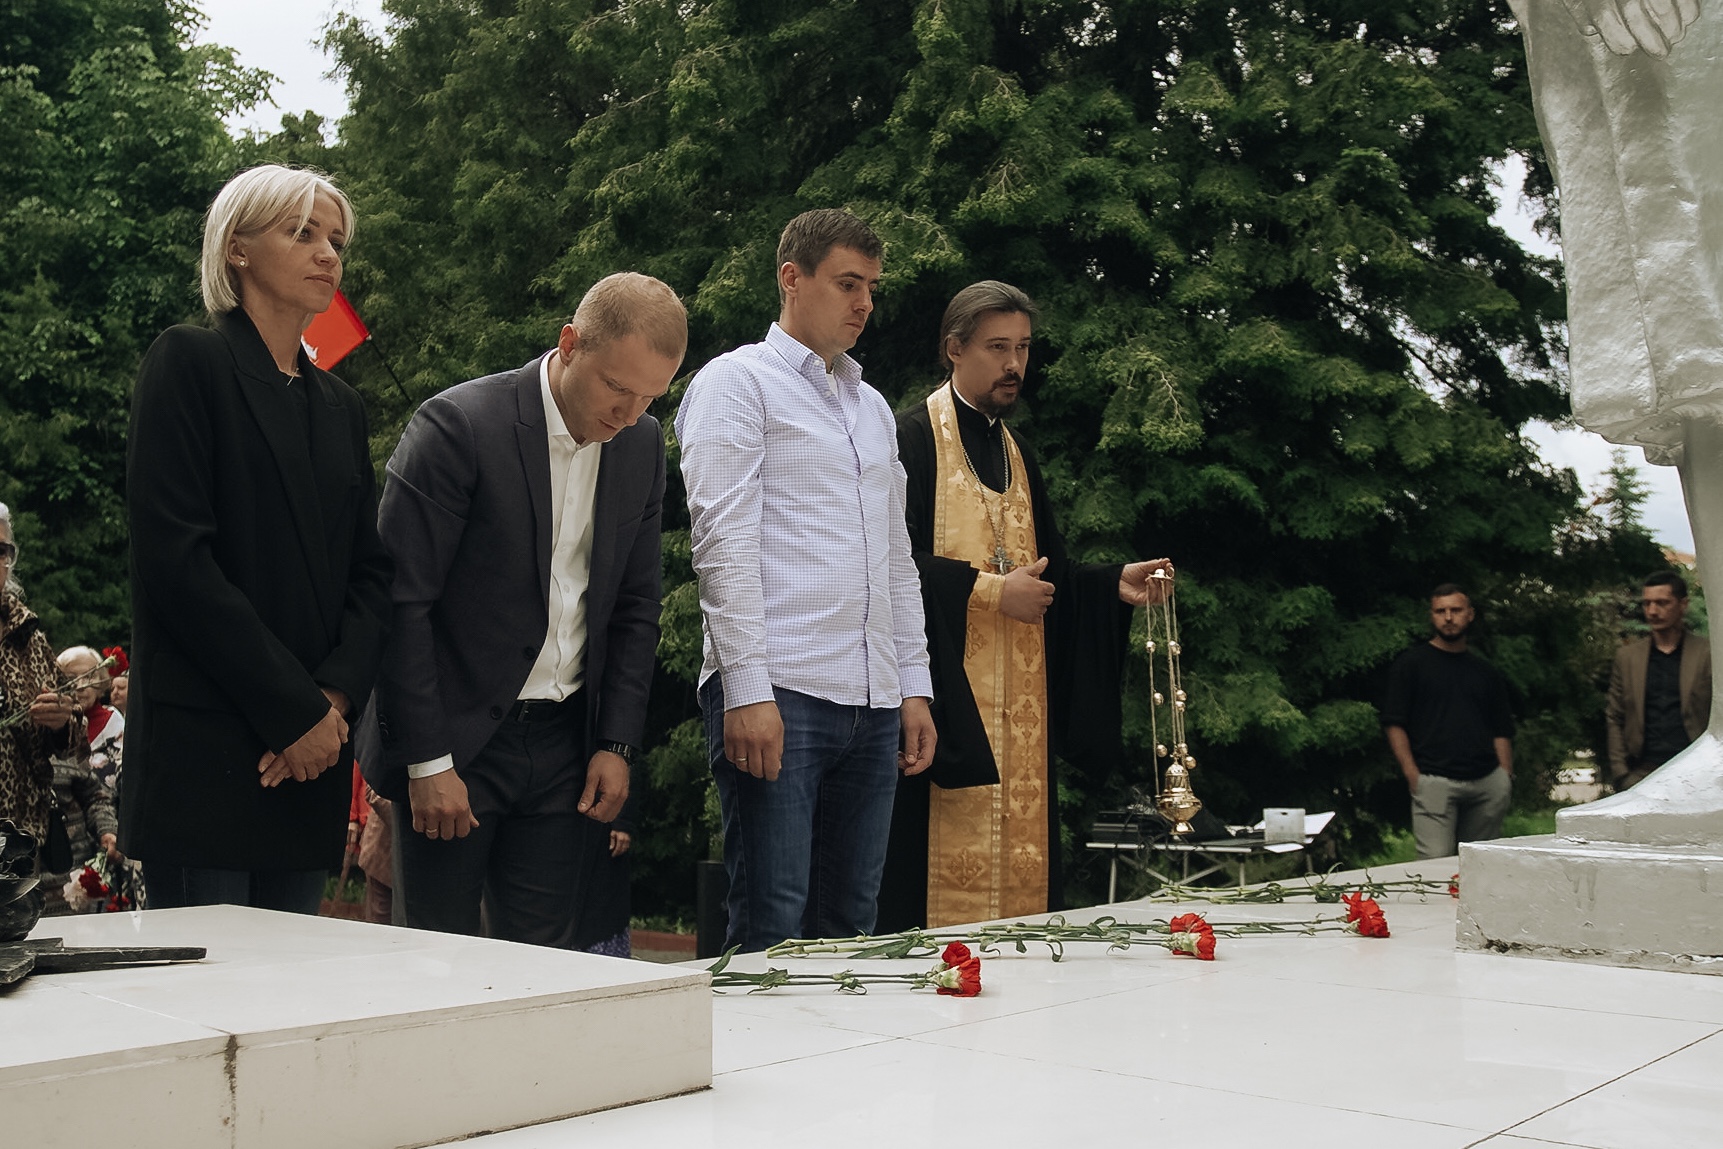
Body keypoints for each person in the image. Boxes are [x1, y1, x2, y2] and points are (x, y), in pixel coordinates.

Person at [368, 272, 683, 947]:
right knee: (431, 962)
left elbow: (636, 607)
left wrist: (616, 742)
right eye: (617, 387)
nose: (629, 413)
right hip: (455, 741)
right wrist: (427, 760)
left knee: (544, 970)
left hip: (568, 745)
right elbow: (400, 603)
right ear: (569, 344)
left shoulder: (641, 445)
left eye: (650, 396)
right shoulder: (457, 426)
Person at [122, 165, 393, 914]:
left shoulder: (341, 406)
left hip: (311, 759)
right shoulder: (187, 362)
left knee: (291, 981)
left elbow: (371, 575)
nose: (328, 254)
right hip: (209, 755)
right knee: (210, 984)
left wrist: (331, 702)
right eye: (302, 233)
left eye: (335, 239)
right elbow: (177, 564)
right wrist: (293, 710)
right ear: (237, 248)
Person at [677, 209, 937, 953]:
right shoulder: (737, 383)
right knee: (771, 925)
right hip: (779, 688)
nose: (865, 303)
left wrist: (912, 683)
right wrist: (745, 688)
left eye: (872, 287)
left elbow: (895, 556)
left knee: (852, 930)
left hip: (873, 696)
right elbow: (721, 543)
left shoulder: (872, 405)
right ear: (792, 278)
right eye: (848, 284)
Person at [878, 281, 1174, 931]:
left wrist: (1109, 585)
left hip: (1020, 724)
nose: (1014, 364)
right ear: (954, 349)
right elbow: (885, 564)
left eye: (1023, 348)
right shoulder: (911, 439)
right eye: (997, 348)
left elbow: (1048, 576)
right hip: (941, 708)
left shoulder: (1018, 454)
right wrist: (990, 592)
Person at [1382, 584, 1515, 859]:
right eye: (1440, 611)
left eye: (1456, 610)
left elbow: (1501, 728)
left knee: (1481, 863)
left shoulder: (1485, 672)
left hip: (1487, 782)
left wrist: (1504, 776)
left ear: (1470, 614)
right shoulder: (1411, 665)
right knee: (1436, 866)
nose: (1449, 617)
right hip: (1434, 781)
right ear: (1432, 616)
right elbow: (1394, 723)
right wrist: (1412, 774)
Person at [0, 504, 76, 867]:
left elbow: (75, 734)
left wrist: (62, 721)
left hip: (21, 837)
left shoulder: (30, 638)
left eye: (2, 550)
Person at [1606, 571, 1712, 791]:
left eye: (1662, 603)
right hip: (1642, 773)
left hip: (1698, 773)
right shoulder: (1628, 658)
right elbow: (1615, 716)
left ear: (1683, 605)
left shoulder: (1708, 654)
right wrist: (1622, 774)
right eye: (1647, 603)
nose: (1653, 611)